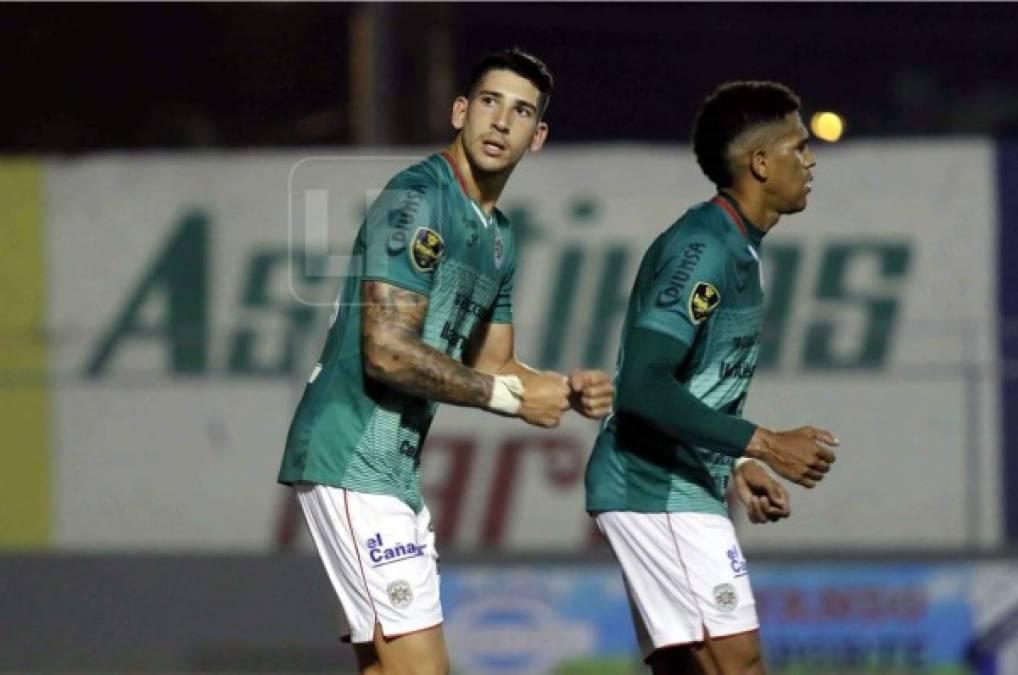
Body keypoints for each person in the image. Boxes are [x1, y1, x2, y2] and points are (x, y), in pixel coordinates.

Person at [278, 48, 613, 675]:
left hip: (391, 472)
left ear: (537, 137)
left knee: (386, 667)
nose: (500, 122)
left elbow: (500, 364)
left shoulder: (498, 235)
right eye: (489, 102)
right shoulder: (418, 200)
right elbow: (386, 351)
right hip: (350, 455)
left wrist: (563, 391)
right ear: (461, 110)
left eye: (520, 112)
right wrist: (511, 399)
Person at [584, 81, 839, 675]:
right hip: (654, 488)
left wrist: (735, 464)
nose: (811, 159)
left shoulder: (737, 246)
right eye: (798, 147)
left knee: (695, 669)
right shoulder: (703, 248)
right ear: (759, 162)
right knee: (738, 665)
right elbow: (644, 387)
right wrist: (767, 442)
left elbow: (691, 386)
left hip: (680, 484)